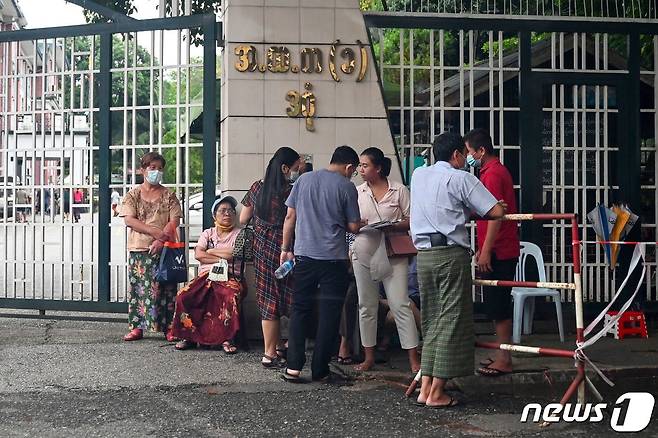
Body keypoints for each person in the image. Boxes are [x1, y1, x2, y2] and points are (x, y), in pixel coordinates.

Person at [410, 132, 506, 408]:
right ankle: (437, 391)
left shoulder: (419, 175)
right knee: (453, 320)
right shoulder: (460, 177)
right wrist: (497, 206)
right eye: (464, 154)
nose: (467, 159)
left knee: (432, 321)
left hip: (424, 256)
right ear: (455, 155)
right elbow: (495, 211)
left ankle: (425, 387)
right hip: (451, 255)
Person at [280, 145, 362, 382]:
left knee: (300, 310)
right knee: (329, 314)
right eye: (353, 170)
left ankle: (293, 368)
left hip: (304, 257)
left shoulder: (303, 180)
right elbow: (354, 226)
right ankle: (320, 370)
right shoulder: (346, 187)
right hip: (333, 260)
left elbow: (290, 217)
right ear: (349, 167)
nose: (352, 174)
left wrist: (286, 249)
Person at [351, 147, 420, 373]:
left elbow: (412, 220)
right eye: (360, 165)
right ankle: (368, 356)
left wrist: (393, 225)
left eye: (365, 165)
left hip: (393, 250)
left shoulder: (399, 190)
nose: (361, 169)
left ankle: (413, 358)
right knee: (366, 304)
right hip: (364, 249)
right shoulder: (357, 192)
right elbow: (349, 223)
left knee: (400, 303)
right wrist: (357, 225)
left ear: (378, 168)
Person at [465, 129, 520, 377]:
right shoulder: (490, 172)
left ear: (481, 151)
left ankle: (505, 357)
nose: (468, 157)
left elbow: (496, 217)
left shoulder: (494, 174)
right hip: (495, 246)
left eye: (469, 152)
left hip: (500, 248)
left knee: (499, 305)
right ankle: (501, 353)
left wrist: (485, 251)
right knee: (495, 304)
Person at [240, 147, 302, 367]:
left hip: (262, 247)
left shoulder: (257, 187)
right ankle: (278, 348)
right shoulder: (292, 191)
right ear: (285, 168)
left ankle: (271, 350)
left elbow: (243, 217)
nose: (298, 171)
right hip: (286, 248)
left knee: (268, 298)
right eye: (296, 167)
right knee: (290, 297)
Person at [120, 152, 182, 342]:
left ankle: (169, 327)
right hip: (139, 249)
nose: (156, 172)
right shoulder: (133, 195)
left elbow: (175, 220)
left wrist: (161, 239)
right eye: (152, 168)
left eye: (159, 168)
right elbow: (129, 220)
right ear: (142, 170)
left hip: (165, 249)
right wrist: (153, 232)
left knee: (166, 288)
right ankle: (137, 326)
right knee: (139, 289)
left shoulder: (169, 195)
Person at [171, 196, 243, 353]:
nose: (227, 214)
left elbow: (234, 253)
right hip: (206, 276)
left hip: (230, 276)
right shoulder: (208, 233)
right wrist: (220, 257)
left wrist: (210, 251)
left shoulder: (239, 234)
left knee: (229, 295)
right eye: (222, 211)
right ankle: (188, 337)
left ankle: (226, 339)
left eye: (230, 211)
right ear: (214, 215)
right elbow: (198, 255)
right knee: (184, 295)